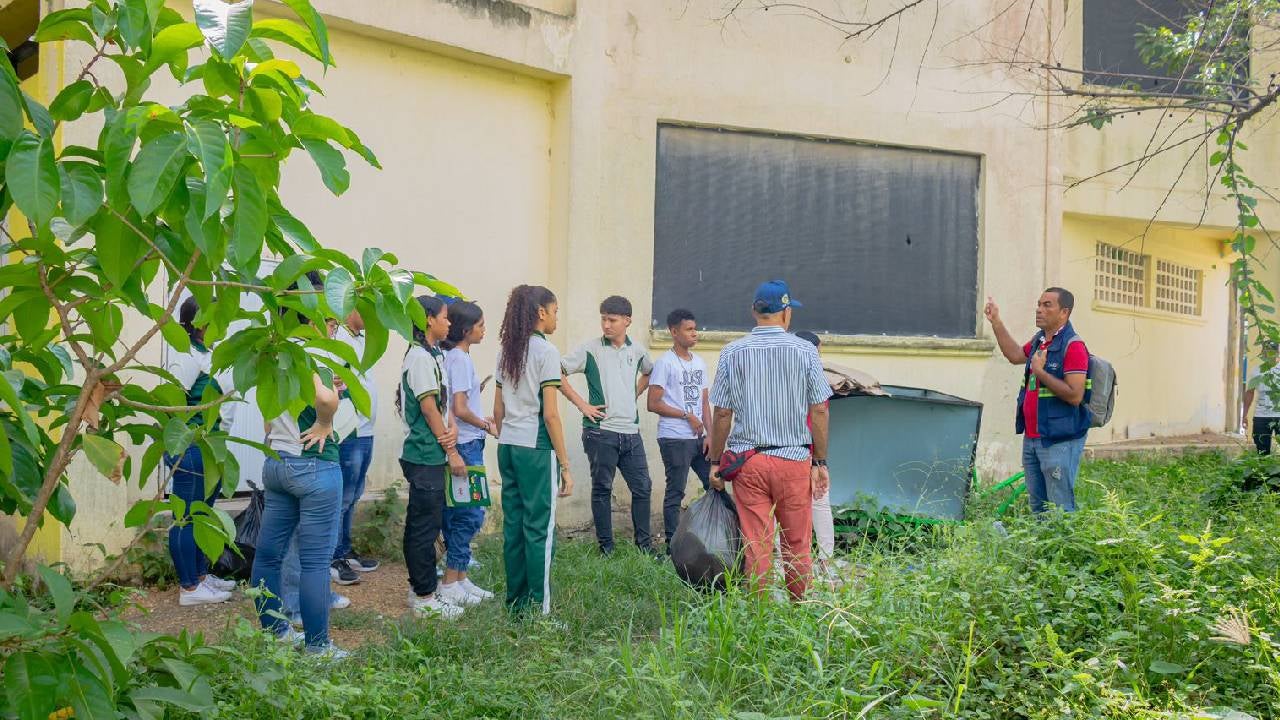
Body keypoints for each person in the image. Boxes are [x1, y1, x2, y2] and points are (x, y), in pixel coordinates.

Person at [708, 280, 832, 600]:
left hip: (748, 461)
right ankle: (797, 609)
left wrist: (716, 462)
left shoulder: (732, 352)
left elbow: (722, 413)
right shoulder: (805, 350)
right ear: (786, 313)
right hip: (793, 461)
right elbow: (819, 410)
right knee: (797, 543)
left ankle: (760, 617)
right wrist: (819, 461)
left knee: (757, 544)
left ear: (754, 311)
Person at [250, 273, 347, 656]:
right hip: (314, 465)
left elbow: (270, 408)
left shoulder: (271, 346)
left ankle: (273, 631)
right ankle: (318, 648)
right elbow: (326, 399)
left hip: (278, 462)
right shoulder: (310, 348)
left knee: (269, 554)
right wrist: (325, 421)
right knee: (315, 563)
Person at [494, 285, 573, 615]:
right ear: (541, 312)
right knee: (540, 530)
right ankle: (540, 612)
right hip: (536, 448)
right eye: (555, 311)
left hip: (508, 445)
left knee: (514, 527)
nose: (556, 318)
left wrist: (508, 433)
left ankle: (515, 605)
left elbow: (497, 411)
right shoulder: (546, 352)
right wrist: (566, 465)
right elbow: (551, 414)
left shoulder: (506, 350)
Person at [560, 295, 656, 555]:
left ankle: (644, 547)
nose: (606, 325)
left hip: (631, 432)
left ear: (627, 321)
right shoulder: (590, 349)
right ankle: (606, 549)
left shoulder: (637, 351)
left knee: (643, 487)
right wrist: (582, 405)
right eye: (603, 319)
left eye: (611, 320)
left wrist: (633, 394)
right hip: (600, 432)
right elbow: (557, 373)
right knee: (602, 488)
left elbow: (650, 371)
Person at [985, 288, 1091, 513]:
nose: (1039, 309)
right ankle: (1041, 548)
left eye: (1047, 305)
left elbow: (1075, 395)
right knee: (1038, 506)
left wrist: (1040, 373)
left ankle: (1063, 548)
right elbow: (1014, 355)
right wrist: (996, 321)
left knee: (1059, 507)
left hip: (1059, 440)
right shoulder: (1040, 341)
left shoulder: (1073, 346)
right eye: (1039, 304)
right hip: (1033, 437)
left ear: (1064, 312)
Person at [164, 297, 239, 606]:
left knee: (203, 513)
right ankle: (189, 588)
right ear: (199, 322)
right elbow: (172, 404)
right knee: (186, 516)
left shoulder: (207, 354)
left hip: (213, 447)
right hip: (192, 447)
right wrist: (181, 445)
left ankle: (201, 577)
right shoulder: (185, 356)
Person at [398, 295, 466, 619]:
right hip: (425, 455)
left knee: (427, 523)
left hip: (432, 451)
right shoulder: (420, 358)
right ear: (428, 319)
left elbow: (441, 403)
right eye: (444, 317)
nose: (449, 323)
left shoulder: (433, 353)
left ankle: (422, 588)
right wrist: (451, 450)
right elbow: (428, 408)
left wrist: (452, 426)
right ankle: (424, 598)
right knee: (423, 528)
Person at [439, 300, 496, 606]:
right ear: (466, 329)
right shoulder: (459, 359)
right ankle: (450, 581)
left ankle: (460, 577)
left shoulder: (452, 357)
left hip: (467, 441)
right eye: (481, 325)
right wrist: (485, 423)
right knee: (469, 514)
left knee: (460, 512)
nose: (484, 330)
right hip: (466, 444)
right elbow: (459, 409)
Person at [646, 308, 711, 547]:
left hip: (698, 438)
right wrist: (686, 415)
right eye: (689, 329)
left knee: (713, 484)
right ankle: (673, 545)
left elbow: (705, 403)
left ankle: (711, 536)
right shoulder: (665, 363)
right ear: (674, 332)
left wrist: (710, 435)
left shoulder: (700, 363)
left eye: (695, 329)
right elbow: (653, 403)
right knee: (676, 492)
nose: (695, 333)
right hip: (674, 438)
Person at [330, 309, 380, 585]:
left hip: (366, 430)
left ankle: (345, 549)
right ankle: (333, 557)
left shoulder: (361, 339)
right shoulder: (338, 338)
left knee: (355, 493)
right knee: (343, 495)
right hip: (349, 430)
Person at [795, 330, 836, 576]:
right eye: (819, 350)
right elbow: (818, 416)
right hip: (808, 454)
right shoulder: (816, 378)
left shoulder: (785, 377)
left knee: (783, 507)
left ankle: (782, 560)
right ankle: (825, 560)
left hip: (785, 452)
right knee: (820, 502)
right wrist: (819, 462)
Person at [1245, 343, 1280, 454]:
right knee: (1262, 451)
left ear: (1277, 353)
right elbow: (1250, 392)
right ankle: (1264, 471)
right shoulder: (1257, 371)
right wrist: (1244, 414)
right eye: (1265, 351)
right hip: (1261, 417)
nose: (1268, 354)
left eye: (1271, 351)